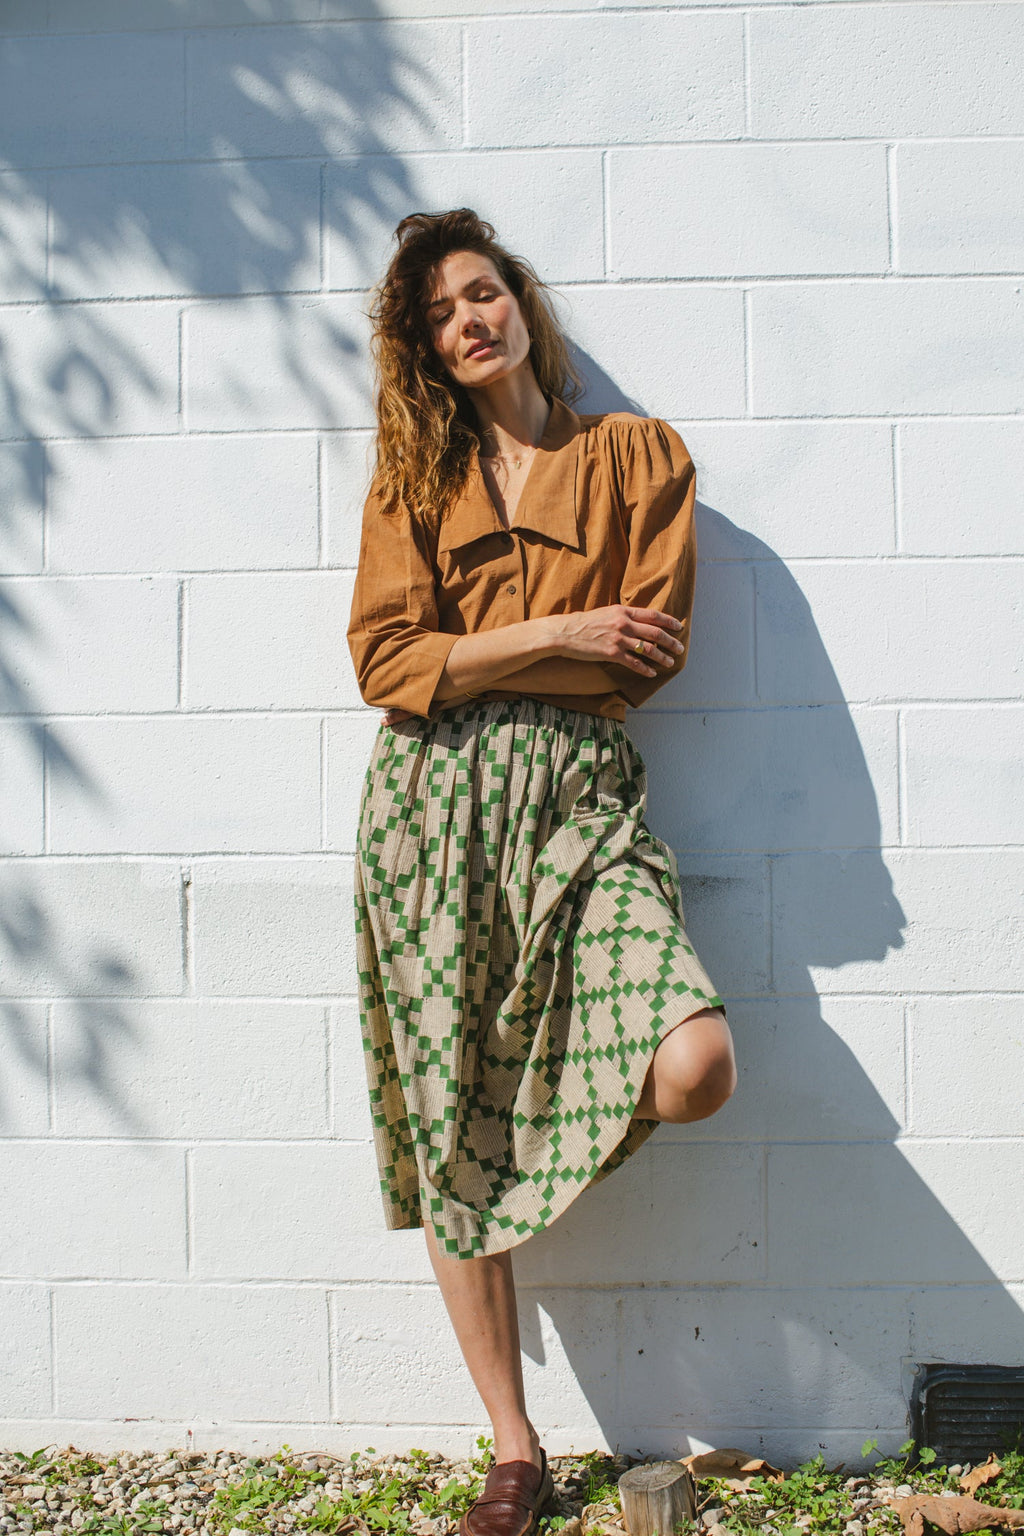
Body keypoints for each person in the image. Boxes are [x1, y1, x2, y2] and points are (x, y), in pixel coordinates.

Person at [346, 209, 737, 1536]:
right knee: (449, 1109)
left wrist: (473, 657)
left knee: (694, 1063)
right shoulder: (414, 481)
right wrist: (562, 631)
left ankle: (542, 1136)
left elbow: (646, 656)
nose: (469, 322)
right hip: (428, 815)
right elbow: (384, 664)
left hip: (579, 802)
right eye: (439, 317)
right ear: (426, 352)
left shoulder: (636, 458)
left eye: (481, 292)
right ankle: (514, 1449)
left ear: (519, 299)